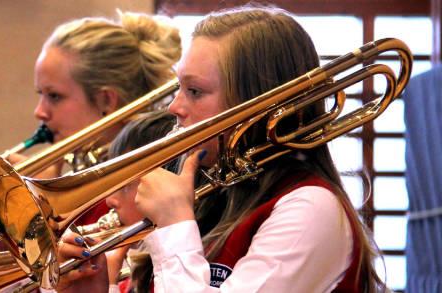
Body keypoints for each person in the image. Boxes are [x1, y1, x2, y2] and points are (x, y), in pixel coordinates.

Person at [56, 4, 386, 292]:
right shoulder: (216, 192)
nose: (174, 107)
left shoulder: (311, 207)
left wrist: (173, 224)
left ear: (253, 104)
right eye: (179, 87)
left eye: (195, 91)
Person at [10, 10, 182, 225]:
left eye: (54, 96)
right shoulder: (84, 174)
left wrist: (46, 207)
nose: (40, 112)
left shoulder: (136, 189)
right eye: (41, 94)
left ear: (106, 101)